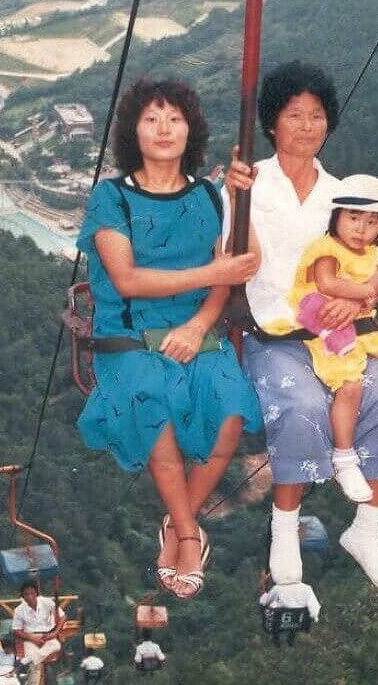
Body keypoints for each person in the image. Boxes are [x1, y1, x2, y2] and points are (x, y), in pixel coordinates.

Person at [224, 60, 378, 595]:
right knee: (301, 407)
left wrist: (359, 299)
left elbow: (366, 260)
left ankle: (368, 529)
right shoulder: (248, 183)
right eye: (296, 115)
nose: (308, 126)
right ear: (273, 123)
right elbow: (233, 258)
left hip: (341, 330)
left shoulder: (343, 194)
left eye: (317, 116)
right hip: (276, 331)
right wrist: (235, 196)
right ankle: (285, 529)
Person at [76, 77, 262, 600]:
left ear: (190, 131)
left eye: (174, 119)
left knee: (229, 412)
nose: (163, 129)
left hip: (195, 327)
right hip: (130, 333)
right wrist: (212, 274)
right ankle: (186, 533)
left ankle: (178, 520)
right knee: (152, 404)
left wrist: (200, 324)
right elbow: (128, 278)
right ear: (133, 131)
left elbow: (232, 271)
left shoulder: (208, 194)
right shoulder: (111, 198)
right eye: (152, 118)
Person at [284, 174, 378, 502]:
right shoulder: (327, 249)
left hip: (363, 325)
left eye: (372, 221)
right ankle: (344, 456)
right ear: (336, 218)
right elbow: (328, 283)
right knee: (350, 383)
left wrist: (369, 293)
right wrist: (365, 293)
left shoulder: (373, 252)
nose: (361, 228)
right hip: (326, 323)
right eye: (353, 218)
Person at [12, 581, 64, 685]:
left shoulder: (47, 602)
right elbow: (17, 631)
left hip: (48, 635)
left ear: (36, 593)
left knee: (56, 645)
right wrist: (32, 638)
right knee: (35, 664)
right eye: (26, 594)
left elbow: (62, 617)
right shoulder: (19, 610)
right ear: (22, 596)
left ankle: (22, 663)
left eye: (32, 593)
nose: (29, 596)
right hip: (30, 637)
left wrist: (55, 633)